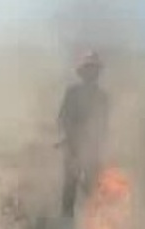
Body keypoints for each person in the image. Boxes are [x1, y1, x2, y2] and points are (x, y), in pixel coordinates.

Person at [57, 51, 108, 218]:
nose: (91, 73)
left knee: (93, 188)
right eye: (88, 69)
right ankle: (66, 225)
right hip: (73, 147)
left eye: (94, 69)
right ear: (83, 72)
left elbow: (103, 125)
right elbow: (62, 118)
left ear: (98, 73)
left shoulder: (102, 97)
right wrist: (68, 138)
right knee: (70, 188)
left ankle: (93, 226)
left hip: (92, 149)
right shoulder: (72, 93)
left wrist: (96, 145)